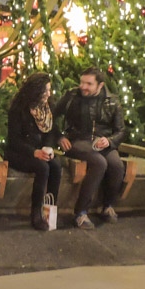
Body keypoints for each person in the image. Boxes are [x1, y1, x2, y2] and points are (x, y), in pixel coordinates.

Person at [53, 67, 126, 230]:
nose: (83, 86)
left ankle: (107, 206)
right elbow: (51, 116)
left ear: (100, 85)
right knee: (99, 163)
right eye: (82, 82)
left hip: (102, 142)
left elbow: (121, 131)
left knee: (117, 165)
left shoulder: (112, 101)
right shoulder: (72, 96)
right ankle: (80, 213)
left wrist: (109, 141)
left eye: (88, 84)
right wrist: (59, 136)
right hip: (77, 141)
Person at [6, 72, 62, 231]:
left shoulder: (47, 107)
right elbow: (14, 141)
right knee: (42, 168)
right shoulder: (18, 109)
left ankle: (50, 209)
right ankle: (36, 214)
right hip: (20, 153)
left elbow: (51, 131)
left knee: (56, 166)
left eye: (49, 90)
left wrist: (49, 147)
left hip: (40, 150)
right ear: (36, 91)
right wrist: (34, 152)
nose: (48, 94)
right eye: (45, 91)